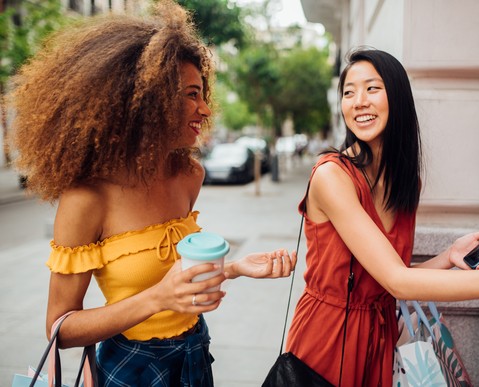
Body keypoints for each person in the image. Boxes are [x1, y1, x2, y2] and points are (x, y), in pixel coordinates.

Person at [8, 1, 296, 386]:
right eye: (192, 95)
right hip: (130, 365)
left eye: (202, 93)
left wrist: (234, 269)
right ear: (146, 100)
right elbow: (59, 328)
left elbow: (174, 278)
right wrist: (158, 299)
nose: (205, 109)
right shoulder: (88, 198)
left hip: (195, 353)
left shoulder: (189, 174)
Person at [284, 48, 479, 386]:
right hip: (327, 338)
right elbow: (397, 280)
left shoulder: (405, 182)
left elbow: (382, 281)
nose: (358, 101)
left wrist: (449, 256)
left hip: (379, 337)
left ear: (396, 96)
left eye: (372, 88)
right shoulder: (331, 177)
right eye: (349, 92)